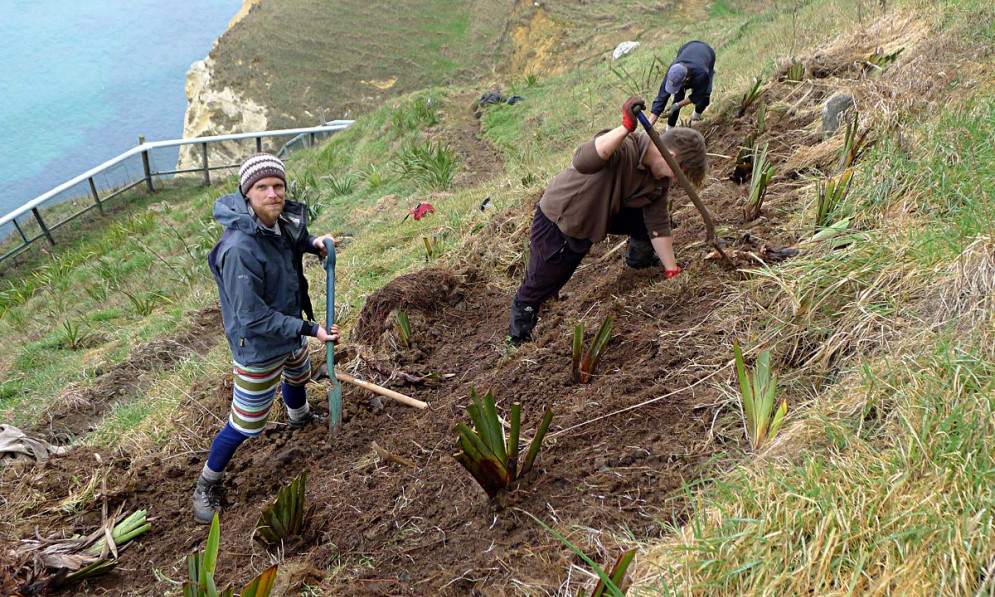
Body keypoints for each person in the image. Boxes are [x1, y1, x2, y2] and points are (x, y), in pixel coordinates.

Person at [193, 153, 339, 524]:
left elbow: (291, 240)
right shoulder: (239, 249)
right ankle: (207, 485)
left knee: (298, 374)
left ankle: (300, 417)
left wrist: (313, 243)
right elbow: (252, 316)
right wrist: (309, 329)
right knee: (246, 423)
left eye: (278, 186)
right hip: (258, 345)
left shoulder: (279, 221)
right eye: (263, 188)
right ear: (247, 194)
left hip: (288, 328)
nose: (273, 194)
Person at [508, 97, 707, 346]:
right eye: (681, 175)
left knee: (645, 222)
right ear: (673, 158)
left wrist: (671, 269)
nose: (676, 181)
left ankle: (640, 261)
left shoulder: (658, 180)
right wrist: (624, 127)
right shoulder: (624, 147)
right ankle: (517, 339)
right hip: (564, 220)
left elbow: (658, 224)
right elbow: (583, 160)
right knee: (542, 283)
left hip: (604, 213)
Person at [649, 40, 716, 130]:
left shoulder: (702, 73)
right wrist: (648, 125)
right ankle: (669, 130)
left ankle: (696, 117)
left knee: (705, 98)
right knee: (678, 97)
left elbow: (698, 95)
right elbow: (661, 98)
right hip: (687, 47)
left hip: (707, 54)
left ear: (686, 79)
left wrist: (678, 105)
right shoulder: (673, 71)